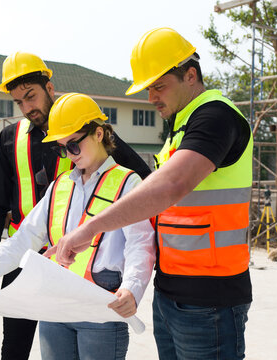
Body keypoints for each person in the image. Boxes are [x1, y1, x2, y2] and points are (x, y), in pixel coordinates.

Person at [46, 27, 253, 360]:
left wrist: (90, 228)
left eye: (159, 86)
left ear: (190, 75)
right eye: (148, 88)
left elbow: (170, 186)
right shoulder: (181, 126)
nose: (151, 98)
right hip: (173, 293)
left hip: (211, 299)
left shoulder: (216, 116)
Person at [0, 92, 155, 360]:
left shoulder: (128, 184)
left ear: (98, 134)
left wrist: (132, 288)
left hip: (102, 311)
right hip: (55, 311)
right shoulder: (60, 187)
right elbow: (23, 240)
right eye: (62, 148)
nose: (69, 155)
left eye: (73, 145)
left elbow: (140, 245)